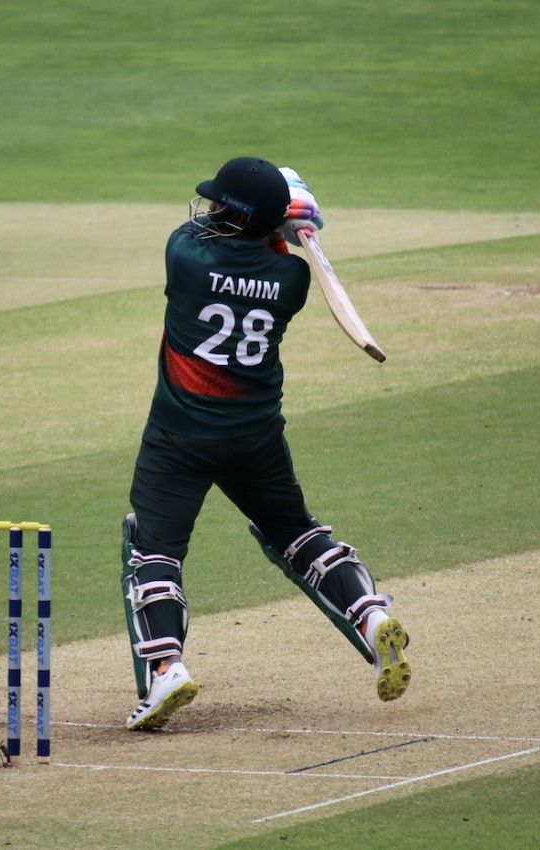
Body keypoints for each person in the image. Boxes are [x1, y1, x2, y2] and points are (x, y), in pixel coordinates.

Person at [120, 157, 411, 731]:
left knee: (154, 551)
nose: (207, 211)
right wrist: (289, 221)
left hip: (180, 437)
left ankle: (166, 671)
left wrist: (279, 211)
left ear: (233, 215)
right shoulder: (293, 279)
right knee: (298, 535)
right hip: (255, 435)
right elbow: (270, 245)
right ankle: (371, 613)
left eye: (218, 204)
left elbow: (204, 231)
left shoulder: (185, 254)